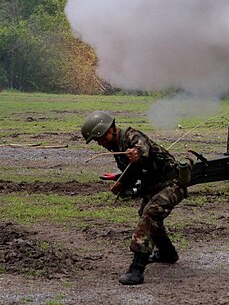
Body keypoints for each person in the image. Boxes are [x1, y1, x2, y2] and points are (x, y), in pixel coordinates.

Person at [81, 110, 192, 285]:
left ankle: (136, 269)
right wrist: (121, 183)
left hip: (172, 183)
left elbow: (141, 148)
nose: (100, 143)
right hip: (155, 185)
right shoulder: (117, 146)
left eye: (100, 138)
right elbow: (134, 170)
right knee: (147, 214)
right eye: (97, 140)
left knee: (150, 214)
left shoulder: (131, 135)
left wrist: (136, 153)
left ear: (109, 129)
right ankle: (167, 253)